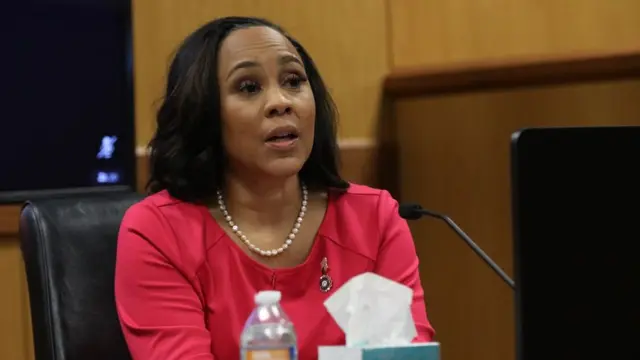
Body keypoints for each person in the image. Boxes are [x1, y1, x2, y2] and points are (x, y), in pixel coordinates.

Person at [114, 16, 435, 360]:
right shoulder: (159, 232)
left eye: (294, 80)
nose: (281, 102)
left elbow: (405, 352)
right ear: (203, 112)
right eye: (249, 87)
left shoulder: (373, 220)